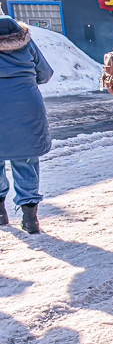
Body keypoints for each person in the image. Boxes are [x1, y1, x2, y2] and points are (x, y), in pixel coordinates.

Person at [0, 15, 53, 233]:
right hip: (27, 105)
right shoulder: (26, 42)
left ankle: (0, 214)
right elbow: (45, 74)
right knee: (26, 159)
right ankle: (30, 220)